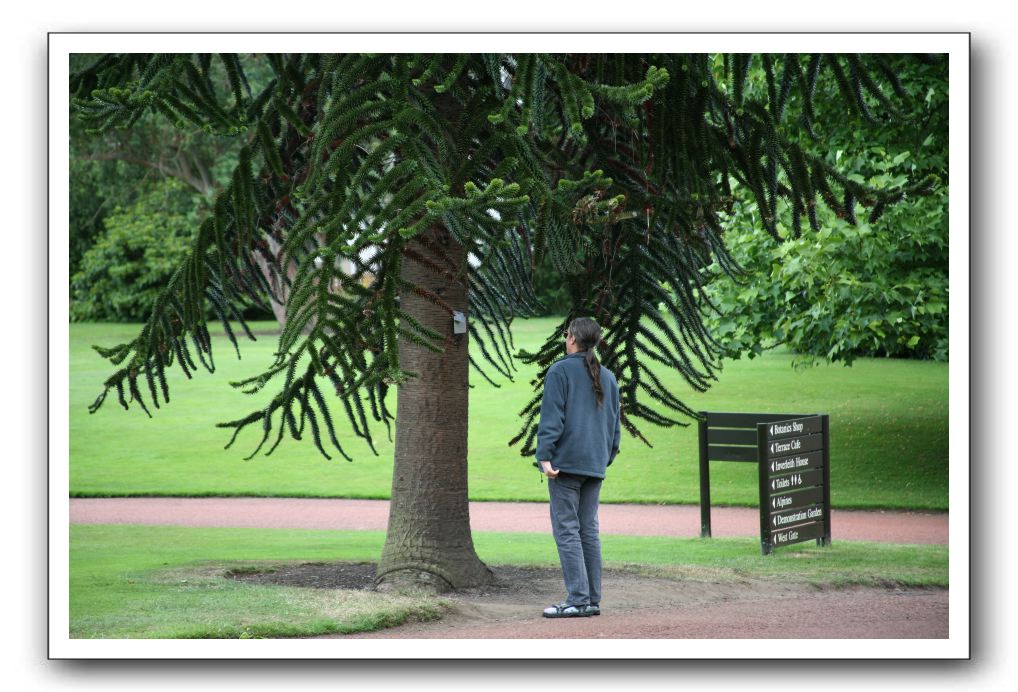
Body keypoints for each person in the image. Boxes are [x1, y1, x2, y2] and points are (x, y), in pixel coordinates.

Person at [536, 316, 621, 618]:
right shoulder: (608, 376)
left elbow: (552, 418)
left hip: (566, 465)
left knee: (567, 531)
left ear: (571, 338)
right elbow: (614, 428)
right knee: (588, 531)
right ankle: (591, 599)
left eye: (566, 334)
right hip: (594, 465)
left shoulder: (560, 371)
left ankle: (577, 599)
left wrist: (544, 457)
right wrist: (604, 457)